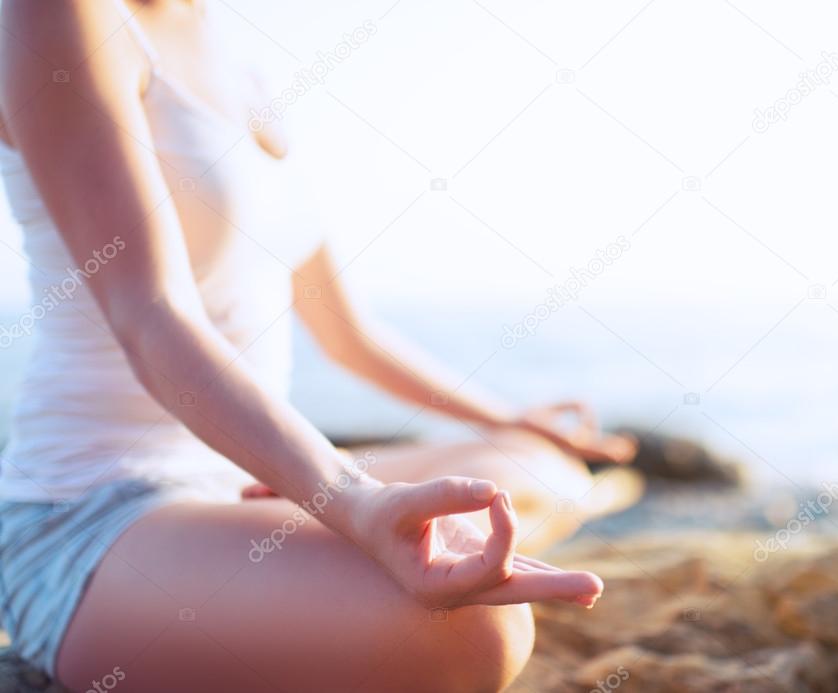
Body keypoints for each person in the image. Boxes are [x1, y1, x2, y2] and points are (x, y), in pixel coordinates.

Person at [0, 1, 639, 690]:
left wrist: (503, 419)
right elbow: (149, 315)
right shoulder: (55, 14)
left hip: (242, 481)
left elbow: (347, 334)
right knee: (478, 632)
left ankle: (288, 523)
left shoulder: (234, 60)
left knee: (538, 472)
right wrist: (348, 499)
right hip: (94, 518)